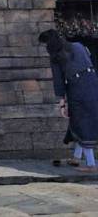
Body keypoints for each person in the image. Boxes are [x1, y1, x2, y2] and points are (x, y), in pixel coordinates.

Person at [39, 29, 98, 172]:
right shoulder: (78, 45)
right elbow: (90, 61)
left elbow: (58, 80)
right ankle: (77, 158)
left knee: (81, 121)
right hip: (93, 83)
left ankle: (91, 164)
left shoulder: (56, 56)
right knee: (82, 119)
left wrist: (62, 101)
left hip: (77, 87)